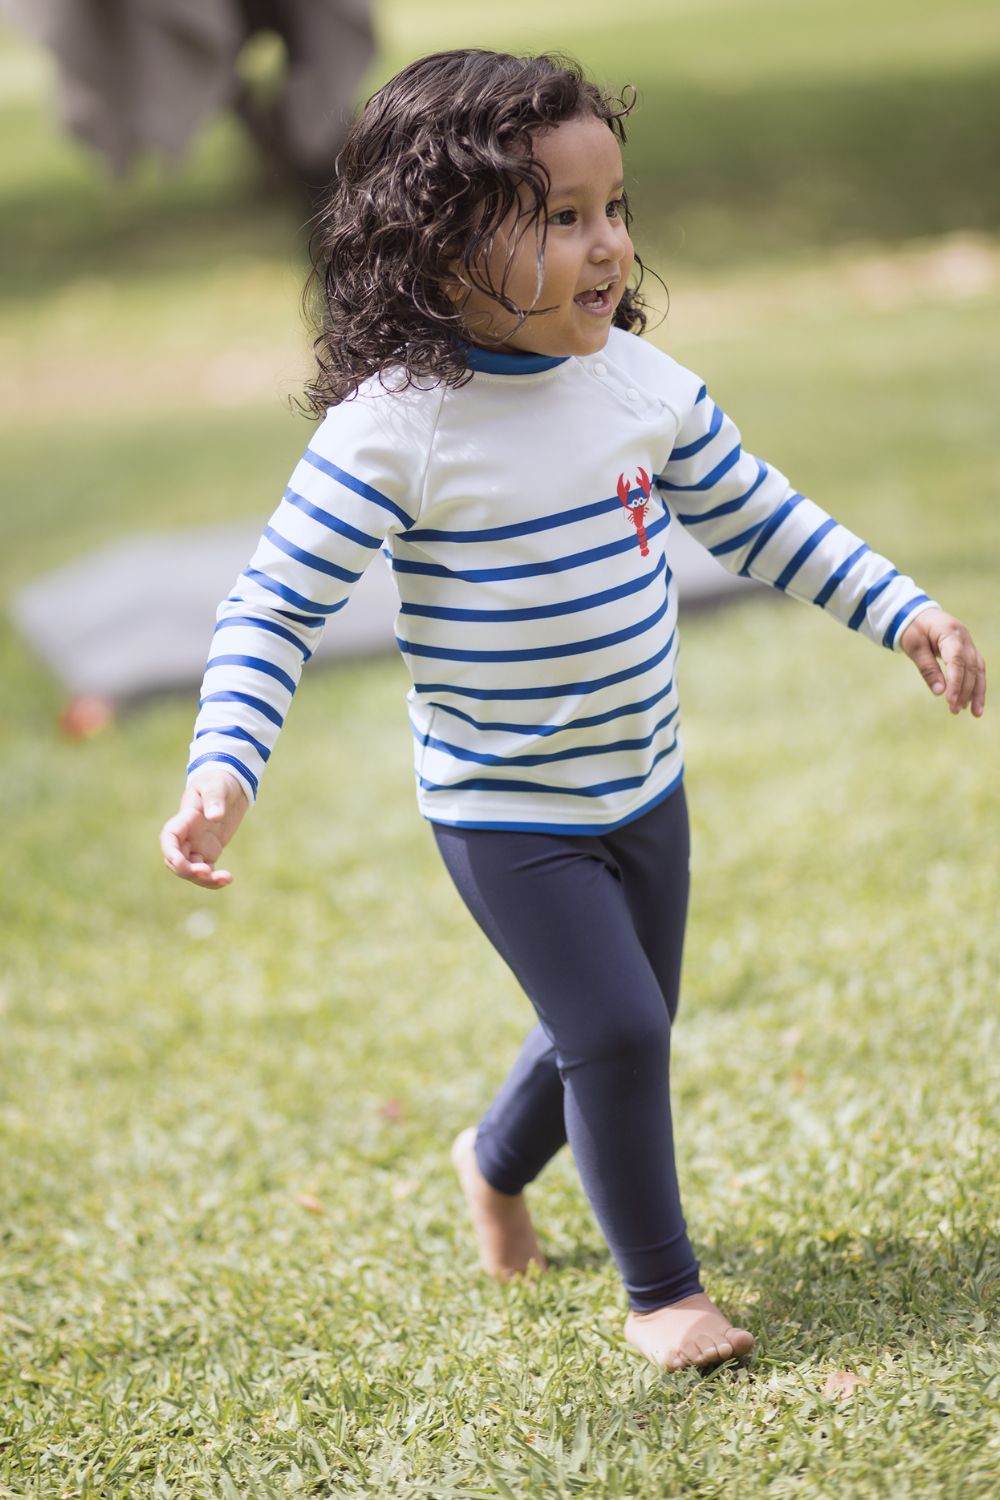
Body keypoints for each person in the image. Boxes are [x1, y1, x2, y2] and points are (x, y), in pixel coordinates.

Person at [159, 49, 987, 1374]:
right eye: (560, 217)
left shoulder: (639, 388)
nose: (607, 245)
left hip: (645, 785)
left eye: (615, 209)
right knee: (616, 1028)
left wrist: (903, 610)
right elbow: (274, 607)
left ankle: (492, 1163)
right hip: (504, 809)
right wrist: (224, 764)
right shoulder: (398, 430)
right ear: (439, 251)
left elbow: (762, 520)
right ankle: (663, 1295)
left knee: (607, 1020)